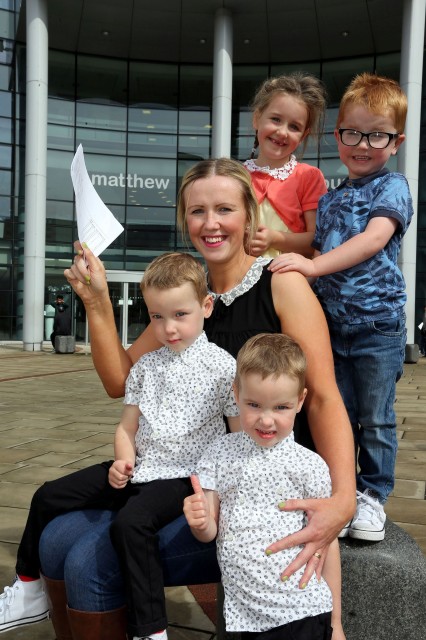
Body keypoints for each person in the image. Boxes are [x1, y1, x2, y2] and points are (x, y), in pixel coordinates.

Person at [17, 158, 354, 639]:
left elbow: (322, 400)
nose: (210, 223)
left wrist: (341, 503)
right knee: (54, 539)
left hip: (245, 498)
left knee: (89, 560)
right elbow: (121, 381)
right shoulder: (183, 297)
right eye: (197, 211)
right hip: (174, 475)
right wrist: (95, 302)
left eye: (224, 209)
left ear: (250, 214)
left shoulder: (283, 284)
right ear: (184, 219)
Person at [0, 252, 239, 640]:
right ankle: (28, 588)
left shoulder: (223, 367)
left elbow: (237, 436)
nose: (168, 327)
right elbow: (126, 427)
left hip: (183, 475)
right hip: (141, 467)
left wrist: (218, 491)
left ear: (206, 306)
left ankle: (151, 629)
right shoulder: (145, 365)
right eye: (158, 317)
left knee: (132, 522)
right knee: (47, 495)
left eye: (180, 314)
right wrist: (123, 460)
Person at [269, 73, 413, 542]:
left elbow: (373, 240)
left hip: (377, 326)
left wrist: (311, 268)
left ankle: (372, 497)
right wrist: (281, 246)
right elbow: (315, 245)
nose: (363, 144)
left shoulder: (392, 189)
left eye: (377, 135)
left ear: (396, 142)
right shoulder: (331, 197)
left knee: (375, 416)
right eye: (353, 132)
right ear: (338, 136)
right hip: (333, 327)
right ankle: (341, 492)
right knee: (340, 413)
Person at [184, 333, 345, 640]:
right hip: (246, 615)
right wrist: (200, 521)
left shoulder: (310, 465)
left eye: (281, 407)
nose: (266, 420)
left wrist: (336, 622)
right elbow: (209, 532)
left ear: (300, 401)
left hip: (303, 608)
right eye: (254, 404)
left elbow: (327, 542)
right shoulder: (219, 453)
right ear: (236, 394)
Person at [244, 72, 328, 259]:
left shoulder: (309, 177)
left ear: (303, 135)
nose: (282, 132)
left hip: (287, 278)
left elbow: (318, 240)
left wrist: (275, 239)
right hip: (239, 278)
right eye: (275, 119)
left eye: (294, 127)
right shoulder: (235, 177)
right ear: (257, 118)